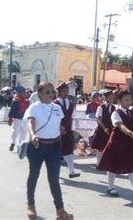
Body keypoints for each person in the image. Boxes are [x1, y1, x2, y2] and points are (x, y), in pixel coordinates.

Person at [24, 82, 73, 219]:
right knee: (33, 176)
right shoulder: (34, 108)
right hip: (37, 146)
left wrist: (61, 129)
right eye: (47, 92)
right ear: (39, 94)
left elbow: (57, 124)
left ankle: (60, 210)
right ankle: (31, 204)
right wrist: (33, 135)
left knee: (54, 179)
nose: (51, 94)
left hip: (54, 147)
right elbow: (30, 122)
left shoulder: (57, 108)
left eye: (52, 92)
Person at [97, 90, 133, 198]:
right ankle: (110, 187)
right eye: (126, 100)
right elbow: (121, 126)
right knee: (113, 165)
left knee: (132, 165)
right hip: (116, 142)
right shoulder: (115, 114)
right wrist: (131, 134)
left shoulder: (131, 112)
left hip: (128, 142)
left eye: (130, 100)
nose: (129, 102)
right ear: (119, 101)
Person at [53, 83, 80, 178]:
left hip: (68, 131)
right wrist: (59, 128)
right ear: (59, 92)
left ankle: (72, 171)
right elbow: (52, 119)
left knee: (68, 151)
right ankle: (55, 173)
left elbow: (73, 117)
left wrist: (75, 128)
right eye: (64, 91)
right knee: (57, 152)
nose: (66, 93)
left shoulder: (71, 104)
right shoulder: (54, 104)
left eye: (67, 91)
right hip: (57, 131)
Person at [91, 90, 116, 165]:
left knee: (109, 147)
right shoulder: (100, 107)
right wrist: (104, 128)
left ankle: (107, 162)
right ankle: (99, 163)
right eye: (111, 98)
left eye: (113, 98)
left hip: (110, 130)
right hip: (102, 130)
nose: (112, 99)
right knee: (100, 148)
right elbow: (99, 119)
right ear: (106, 98)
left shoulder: (114, 107)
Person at [8, 86, 29, 152]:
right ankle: (13, 142)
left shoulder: (27, 100)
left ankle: (19, 146)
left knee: (23, 133)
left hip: (25, 120)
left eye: (25, 91)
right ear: (19, 93)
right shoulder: (16, 100)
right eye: (23, 92)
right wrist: (10, 118)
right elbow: (12, 110)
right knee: (15, 133)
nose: (25, 93)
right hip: (17, 118)